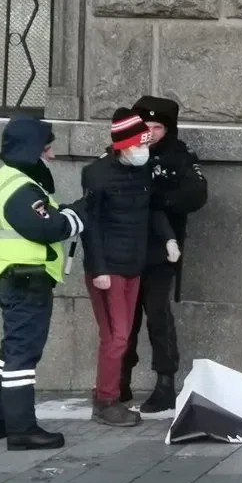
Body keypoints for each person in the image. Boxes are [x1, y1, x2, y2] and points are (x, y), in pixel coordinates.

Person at [0, 115, 85, 450]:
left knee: (12, 349)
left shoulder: (8, 179)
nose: (51, 153)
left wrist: (64, 212)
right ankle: (22, 429)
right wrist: (77, 216)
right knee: (23, 356)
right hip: (27, 279)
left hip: (16, 276)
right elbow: (47, 227)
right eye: (46, 147)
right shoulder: (21, 188)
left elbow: (43, 216)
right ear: (31, 148)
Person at [81, 108, 179, 427]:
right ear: (123, 146)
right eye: (139, 144)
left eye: (146, 144)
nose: (144, 150)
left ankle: (106, 396)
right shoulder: (97, 174)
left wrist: (168, 239)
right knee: (117, 337)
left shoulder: (142, 170)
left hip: (133, 264)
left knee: (117, 337)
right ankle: (106, 401)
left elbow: (152, 209)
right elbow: (91, 226)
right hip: (108, 268)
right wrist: (100, 270)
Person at [122, 95, 207, 413]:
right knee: (125, 319)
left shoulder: (179, 157)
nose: (151, 132)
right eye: (146, 126)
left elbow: (196, 193)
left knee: (158, 315)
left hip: (161, 251)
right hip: (125, 249)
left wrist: (161, 200)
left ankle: (165, 384)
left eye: (158, 127)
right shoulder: (124, 151)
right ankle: (120, 378)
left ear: (168, 129)